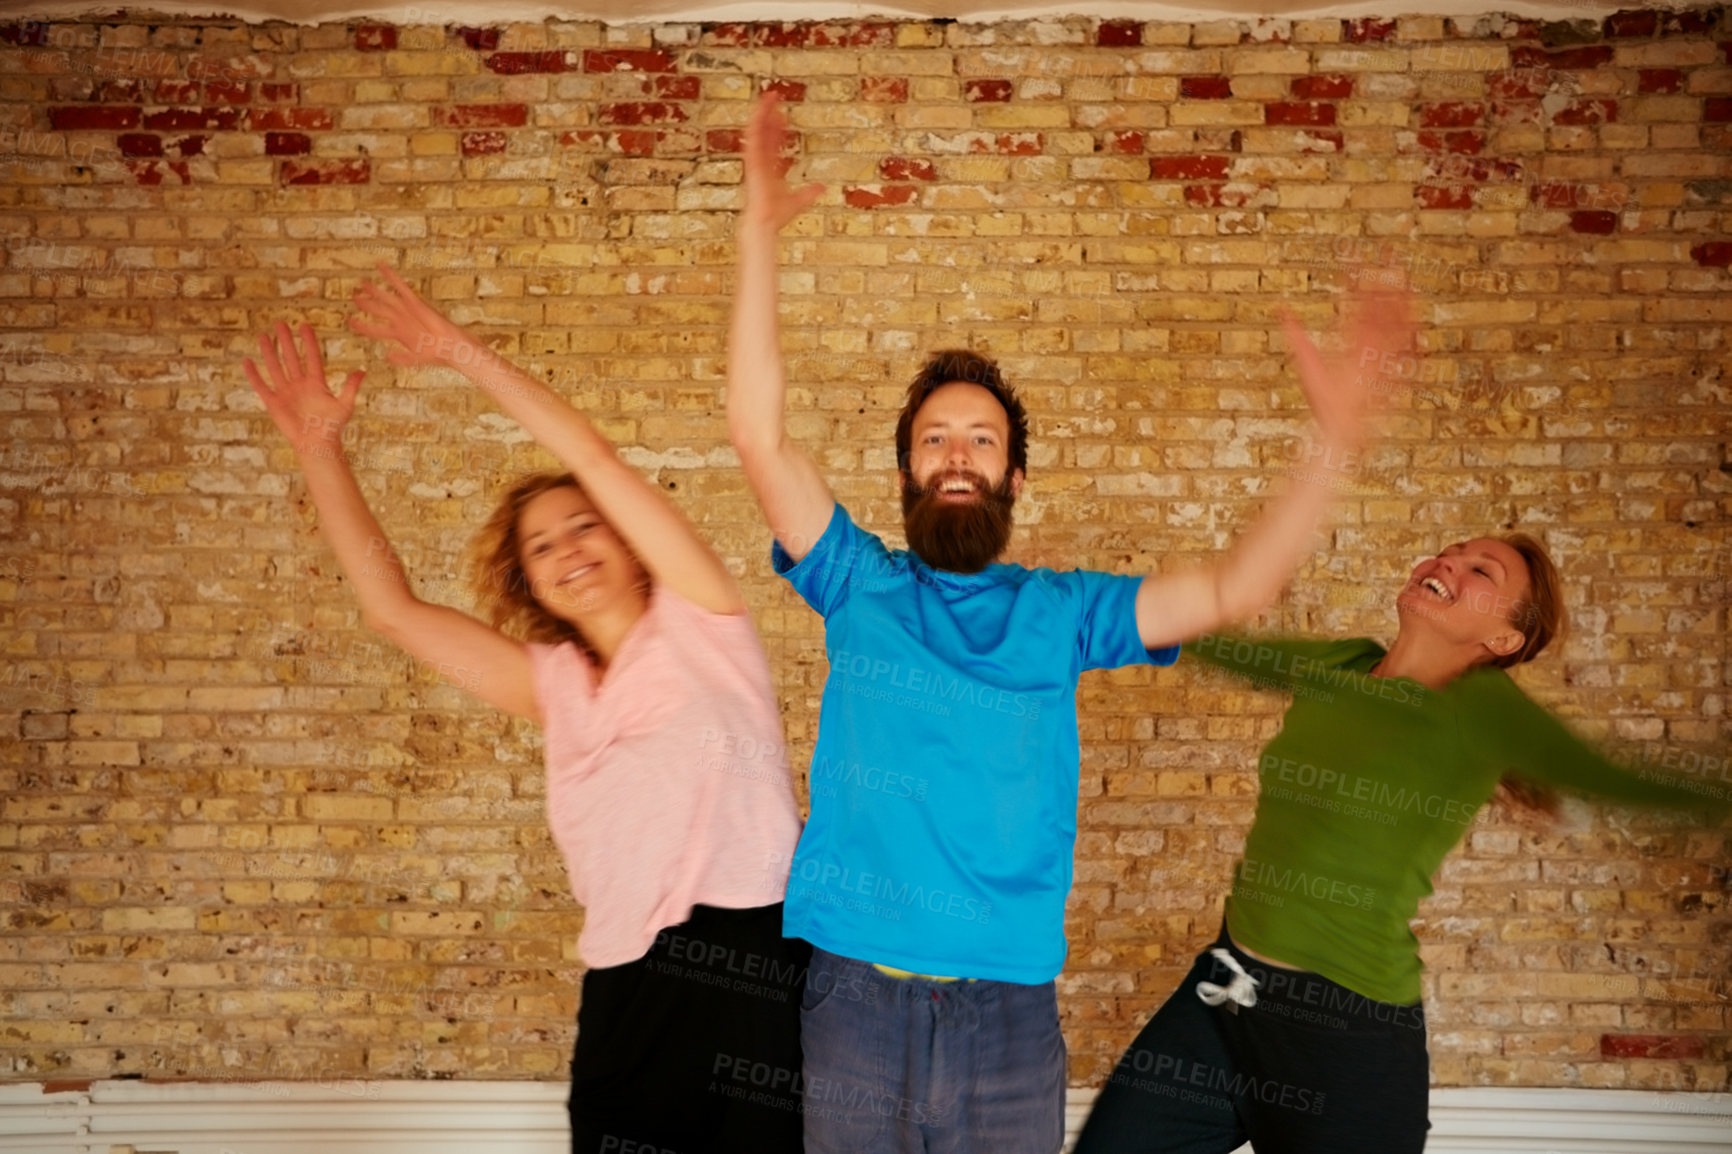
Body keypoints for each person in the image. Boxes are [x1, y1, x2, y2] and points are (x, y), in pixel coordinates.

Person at [727, 90, 1410, 1154]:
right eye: (936, 439)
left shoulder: (1064, 612)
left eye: (982, 441)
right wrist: (757, 238)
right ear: (905, 469)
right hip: (855, 998)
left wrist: (1331, 444)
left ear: (1012, 476)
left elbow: (1234, 588)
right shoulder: (855, 578)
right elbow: (758, 436)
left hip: (1007, 1011)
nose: (958, 453)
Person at [243, 266, 808, 1154]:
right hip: (627, 982)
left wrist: (456, 352)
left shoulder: (705, 617)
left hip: (754, 959)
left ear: (628, 537)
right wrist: (319, 447)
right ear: (527, 579)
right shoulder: (554, 688)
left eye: (585, 526)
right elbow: (395, 612)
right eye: (541, 545)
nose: (567, 549)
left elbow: (593, 457)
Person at [1074, 534, 1730, 1154]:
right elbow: (1210, 639)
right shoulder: (1341, 663)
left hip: (1346, 1038)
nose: (1449, 562)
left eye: (1482, 571)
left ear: (1504, 637)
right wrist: (1067, 598)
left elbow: (1622, 780)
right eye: (1450, 552)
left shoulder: (1484, 710)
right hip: (1227, 993)